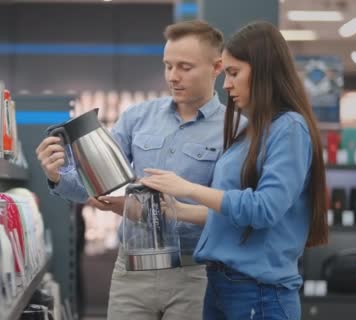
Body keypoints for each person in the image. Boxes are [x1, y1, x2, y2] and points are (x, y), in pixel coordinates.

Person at [36, 20, 231, 320]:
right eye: (168, 66)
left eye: (185, 67)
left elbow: (233, 210)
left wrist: (160, 209)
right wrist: (56, 175)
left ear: (217, 67)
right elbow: (92, 186)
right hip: (132, 272)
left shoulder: (234, 130)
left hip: (196, 274)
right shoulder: (138, 117)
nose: (173, 77)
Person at [140, 21, 328, 320]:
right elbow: (237, 213)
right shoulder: (252, 131)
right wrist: (179, 210)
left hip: (259, 292)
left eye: (233, 73)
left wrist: (188, 189)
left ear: (263, 70)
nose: (226, 84)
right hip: (222, 286)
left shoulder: (289, 128)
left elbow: (264, 209)